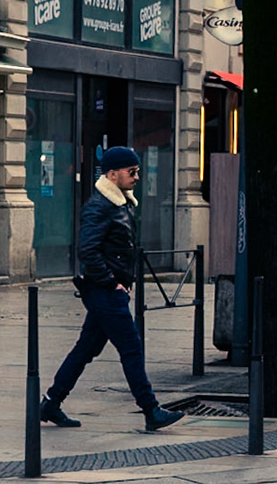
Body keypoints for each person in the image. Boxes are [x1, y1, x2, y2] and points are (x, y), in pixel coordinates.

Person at [40, 145, 184, 432]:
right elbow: (87, 251)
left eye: (137, 171)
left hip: (107, 292)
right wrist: (112, 282)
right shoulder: (100, 206)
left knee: (85, 349)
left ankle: (51, 403)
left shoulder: (120, 203)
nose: (137, 177)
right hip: (104, 292)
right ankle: (151, 410)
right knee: (131, 348)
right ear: (113, 174)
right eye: (132, 172)